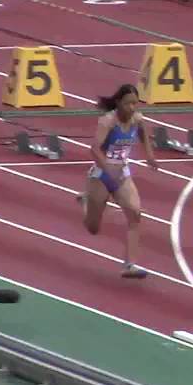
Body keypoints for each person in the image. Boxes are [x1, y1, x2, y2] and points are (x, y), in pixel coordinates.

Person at [81, 84, 159, 279]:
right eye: (128, 104)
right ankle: (85, 202)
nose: (132, 107)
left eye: (135, 103)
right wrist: (107, 168)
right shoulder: (108, 121)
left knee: (135, 214)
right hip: (101, 174)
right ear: (118, 103)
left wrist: (149, 155)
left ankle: (129, 264)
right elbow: (94, 149)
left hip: (122, 173)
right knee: (93, 228)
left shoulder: (137, 119)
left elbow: (143, 132)